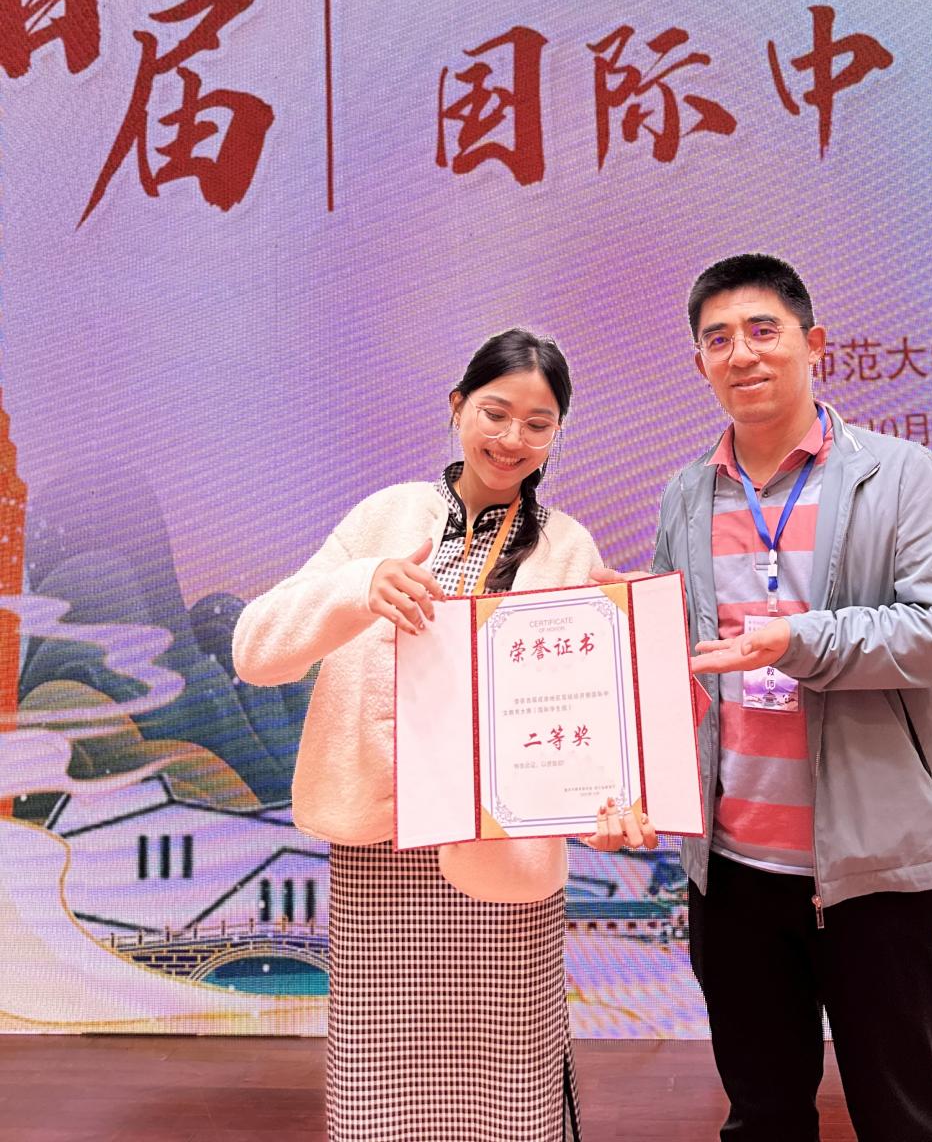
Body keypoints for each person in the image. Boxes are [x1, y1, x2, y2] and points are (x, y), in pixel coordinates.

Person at [233, 328, 655, 1142]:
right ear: (458, 406)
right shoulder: (386, 517)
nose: (512, 438)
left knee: (507, 1095)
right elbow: (256, 651)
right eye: (495, 412)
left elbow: (585, 721)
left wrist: (610, 801)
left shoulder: (568, 547)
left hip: (504, 861)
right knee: (381, 1093)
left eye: (538, 423)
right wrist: (360, 586)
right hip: (383, 853)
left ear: (558, 434)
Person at [640, 255, 932, 1142]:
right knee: (761, 1116)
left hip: (873, 864)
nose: (742, 353)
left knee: (902, 1117)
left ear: (813, 343)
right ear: (700, 362)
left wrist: (799, 641)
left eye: (764, 330)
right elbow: (676, 661)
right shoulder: (686, 494)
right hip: (733, 868)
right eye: (718, 339)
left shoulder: (900, 474)